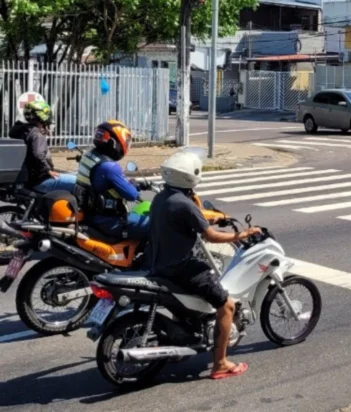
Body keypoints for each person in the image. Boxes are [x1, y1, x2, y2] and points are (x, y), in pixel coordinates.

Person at [147, 151, 260, 380]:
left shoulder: (162, 198)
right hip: (182, 267)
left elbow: (190, 218)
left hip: (159, 263)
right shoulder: (184, 204)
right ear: (190, 177)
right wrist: (242, 233)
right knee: (226, 305)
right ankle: (220, 363)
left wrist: (215, 217)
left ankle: (183, 340)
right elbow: (211, 237)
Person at [74, 120, 150, 239]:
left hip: (88, 214)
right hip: (108, 220)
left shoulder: (88, 156)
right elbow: (132, 195)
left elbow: (104, 183)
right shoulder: (109, 167)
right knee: (154, 225)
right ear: (114, 142)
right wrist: (134, 185)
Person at [9, 101, 77, 194]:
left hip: (28, 179)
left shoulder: (23, 131)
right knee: (79, 182)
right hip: (41, 181)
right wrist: (47, 170)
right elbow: (38, 154)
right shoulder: (36, 134)